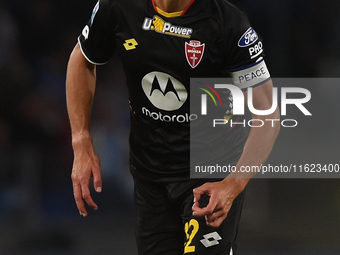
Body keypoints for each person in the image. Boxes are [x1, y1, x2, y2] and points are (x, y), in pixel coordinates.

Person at [66, 0, 280, 254]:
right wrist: (81, 139)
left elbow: (268, 113)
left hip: (210, 173)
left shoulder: (228, 23)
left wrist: (233, 184)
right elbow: (82, 58)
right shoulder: (117, 6)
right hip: (149, 173)